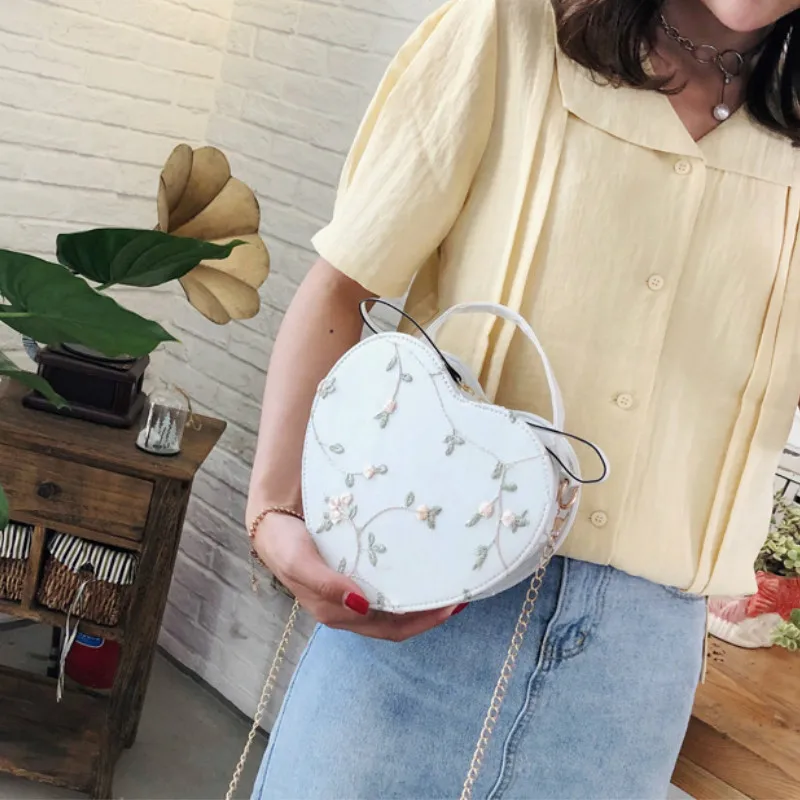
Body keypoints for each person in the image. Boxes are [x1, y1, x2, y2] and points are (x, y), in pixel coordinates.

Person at [247, 0, 800, 797]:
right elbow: (345, 283)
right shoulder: (511, 29)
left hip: (630, 678)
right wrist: (273, 509)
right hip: (426, 598)